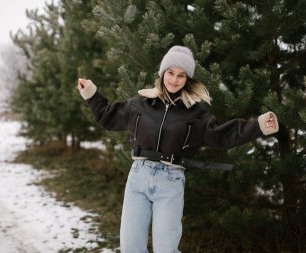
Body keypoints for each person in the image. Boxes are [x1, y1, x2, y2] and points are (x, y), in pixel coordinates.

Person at [77, 45, 278, 253]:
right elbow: (108, 116)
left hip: (170, 181)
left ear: (187, 80)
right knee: (131, 248)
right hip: (138, 177)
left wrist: (259, 126)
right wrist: (91, 94)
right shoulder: (140, 104)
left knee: (166, 250)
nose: (174, 80)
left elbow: (223, 135)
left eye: (181, 75)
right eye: (171, 73)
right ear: (163, 73)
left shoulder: (196, 114)